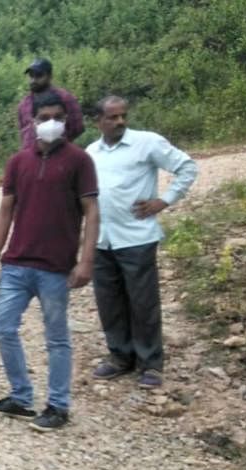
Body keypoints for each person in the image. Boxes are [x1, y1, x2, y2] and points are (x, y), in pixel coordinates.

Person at [0, 91, 100, 432]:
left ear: (66, 121)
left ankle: (58, 406)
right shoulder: (18, 163)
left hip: (56, 268)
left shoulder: (79, 161)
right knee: (2, 327)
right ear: (32, 122)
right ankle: (21, 397)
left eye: (57, 118)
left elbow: (91, 212)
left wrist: (86, 260)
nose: (51, 124)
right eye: (44, 118)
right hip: (17, 264)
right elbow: (5, 211)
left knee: (57, 338)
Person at [87, 96, 198, 389]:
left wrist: (164, 201)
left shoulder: (147, 142)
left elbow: (187, 167)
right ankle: (120, 357)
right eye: (112, 117)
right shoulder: (91, 153)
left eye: (123, 115)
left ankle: (151, 363)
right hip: (102, 240)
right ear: (97, 121)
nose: (120, 121)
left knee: (143, 302)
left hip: (136, 238)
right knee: (109, 302)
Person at [18, 58, 84, 150]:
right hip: (30, 157)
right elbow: (22, 131)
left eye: (39, 76)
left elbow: (77, 128)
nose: (33, 80)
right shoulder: (24, 104)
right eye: (31, 76)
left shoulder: (65, 98)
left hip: (60, 154)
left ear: (49, 76)